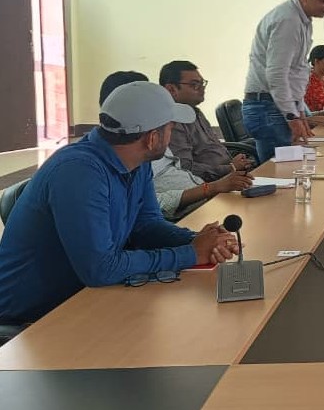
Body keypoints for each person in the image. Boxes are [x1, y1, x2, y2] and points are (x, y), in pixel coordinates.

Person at [0, 82, 240, 326]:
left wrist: (198, 240)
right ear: (152, 138)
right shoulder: (79, 173)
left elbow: (146, 226)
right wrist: (191, 253)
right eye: (170, 127)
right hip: (33, 318)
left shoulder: (138, 162)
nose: (171, 135)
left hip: (83, 297)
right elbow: (100, 269)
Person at [243, 0, 324, 162]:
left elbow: (296, 71)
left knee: (292, 169)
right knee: (282, 173)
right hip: (268, 107)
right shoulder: (288, 20)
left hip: (277, 106)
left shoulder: (303, 20)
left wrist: (299, 111)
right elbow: (277, 74)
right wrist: (292, 117)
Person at [159, 60, 254, 182]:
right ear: (171, 89)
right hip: (212, 184)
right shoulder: (172, 122)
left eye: (202, 83)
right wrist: (230, 168)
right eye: (194, 84)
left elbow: (213, 147)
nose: (202, 88)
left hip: (229, 174)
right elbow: (184, 168)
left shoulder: (196, 112)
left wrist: (235, 163)